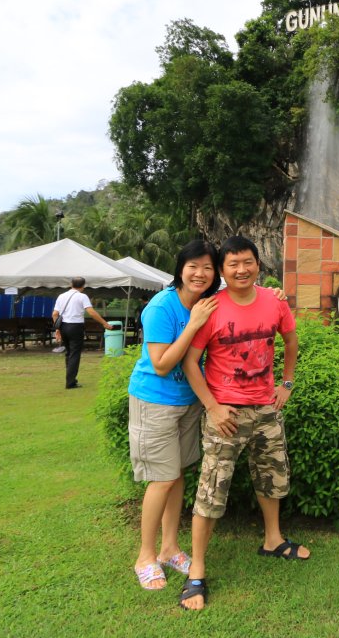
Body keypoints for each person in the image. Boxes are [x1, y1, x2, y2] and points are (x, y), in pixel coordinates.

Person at [179, 235, 309, 611]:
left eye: (248, 262)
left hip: (267, 409)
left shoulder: (274, 301)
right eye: (233, 264)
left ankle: (273, 539)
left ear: (258, 265)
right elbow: (191, 361)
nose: (241, 269)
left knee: (272, 478)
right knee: (212, 488)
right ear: (223, 271)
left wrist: (286, 383)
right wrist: (213, 407)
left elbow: (291, 341)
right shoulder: (210, 308)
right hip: (227, 414)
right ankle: (197, 571)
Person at [128, 240, 221, 591]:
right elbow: (163, 365)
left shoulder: (206, 302)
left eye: (208, 267)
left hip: (187, 401)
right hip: (155, 399)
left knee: (177, 473)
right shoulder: (162, 308)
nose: (200, 273)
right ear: (180, 269)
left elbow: (247, 288)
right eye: (193, 266)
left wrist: (273, 294)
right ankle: (145, 555)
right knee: (162, 479)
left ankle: (169, 548)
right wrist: (194, 324)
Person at [52, 277, 111, 389]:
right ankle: (70, 382)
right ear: (83, 286)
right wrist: (104, 323)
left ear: (71, 284)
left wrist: (57, 329)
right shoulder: (82, 296)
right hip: (76, 326)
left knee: (69, 353)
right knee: (75, 354)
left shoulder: (61, 296)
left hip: (64, 326)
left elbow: (55, 314)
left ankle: (70, 379)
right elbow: (91, 312)